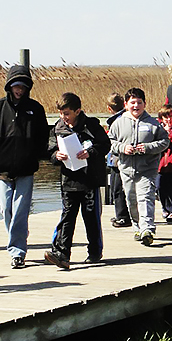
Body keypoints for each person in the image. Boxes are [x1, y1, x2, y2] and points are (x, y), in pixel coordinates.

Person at [0, 62, 50, 268]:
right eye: (16, 86)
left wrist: (33, 154)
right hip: (3, 168)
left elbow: (43, 136)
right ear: (9, 86)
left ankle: (17, 251)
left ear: (28, 87)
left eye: (23, 86)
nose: (19, 90)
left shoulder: (36, 109)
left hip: (26, 169)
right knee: (6, 209)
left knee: (20, 210)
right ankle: (18, 234)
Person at [45, 93, 110, 269]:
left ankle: (95, 251)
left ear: (77, 111)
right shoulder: (58, 128)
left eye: (67, 113)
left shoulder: (91, 125)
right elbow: (49, 150)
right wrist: (55, 156)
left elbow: (105, 145)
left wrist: (90, 153)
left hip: (89, 179)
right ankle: (61, 254)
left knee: (91, 217)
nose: (63, 117)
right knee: (67, 216)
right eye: (61, 113)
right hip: (69, 179)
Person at [108, 87, 169, 244]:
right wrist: (123, 148)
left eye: (139, 102)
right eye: (132, 103)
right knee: (131, 199)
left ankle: (147, 229)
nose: (136, 106)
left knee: (146, 197)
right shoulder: (118, 123)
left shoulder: (153, 123)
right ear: (126, 104)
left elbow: (164, 142)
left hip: (147, 168)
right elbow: (110, 142)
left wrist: (147, 148)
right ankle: (137, 227)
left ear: (145, 104)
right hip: (126, 169)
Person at [105, 93, 130, 228]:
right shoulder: (126, 117)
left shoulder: (116, 120)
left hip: (117, 159)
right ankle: (123, 214)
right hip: (123, 158)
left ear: (109, 108)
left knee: (117, 188)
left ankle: (122, 216)